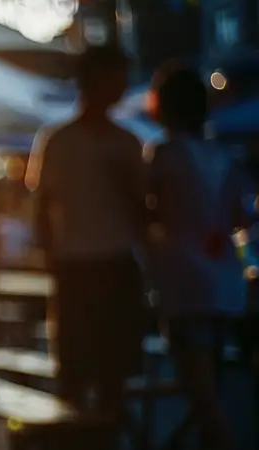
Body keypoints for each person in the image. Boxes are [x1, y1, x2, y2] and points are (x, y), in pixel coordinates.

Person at [25, 45, 145, 440]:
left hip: (108, 264)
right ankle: (76, 442)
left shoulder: (124, 143)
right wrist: (50, 257)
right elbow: (42, 208)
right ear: (97, 80)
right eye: (117, 76)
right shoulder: (61, 141)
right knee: (78, 370)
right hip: (80, 265)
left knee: (112, 371)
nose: (123, 85)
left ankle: (100, 441)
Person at [145, 63, 253, 450]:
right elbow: (241, 216)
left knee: (200, 390)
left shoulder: (164, 154)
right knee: (213, 388)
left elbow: (148, 212)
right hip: (225, 282)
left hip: (183, 283)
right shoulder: (223, 155)